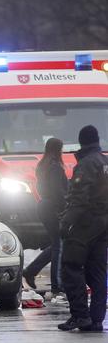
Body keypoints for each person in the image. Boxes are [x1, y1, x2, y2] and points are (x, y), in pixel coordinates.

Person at [58, 125, 108, 332]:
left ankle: (80, 315)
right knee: (98, 271)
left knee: (70, 266)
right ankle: (96, 319)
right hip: (103, 223)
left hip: (85, 223)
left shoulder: (86, 164)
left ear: (82, 141)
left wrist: (65, 222)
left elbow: (79, 198)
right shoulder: (105, 161)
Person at [23, 138, 67, 294]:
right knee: (59, 245)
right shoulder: (55, 167)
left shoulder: (43, 165)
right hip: (53, 207)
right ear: (57, 150)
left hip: (44, 205)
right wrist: (66, 206)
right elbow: (59, 191)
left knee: (56, 244)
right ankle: (57, 284)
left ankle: (30, 271)